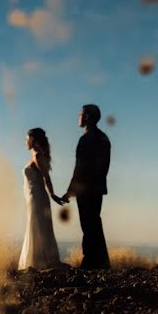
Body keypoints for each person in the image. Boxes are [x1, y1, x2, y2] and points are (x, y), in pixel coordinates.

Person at [63, 104, 111, 269]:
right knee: (94, 223)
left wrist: (70, 191)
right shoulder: (103, 138)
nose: (79, 117)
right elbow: (104, 167)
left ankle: (90, 260)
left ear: (88, 117)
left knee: (88, 224)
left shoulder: (85, 139)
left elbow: (80, 168)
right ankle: (101, 261)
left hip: (86, 189)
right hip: (97, 188)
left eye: (81, 114)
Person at [18, 127, 66, 270]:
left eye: (27, 139)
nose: (25, 141)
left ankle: (41, 261)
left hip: (38, 197)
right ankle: (37, 261)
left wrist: (52, 194)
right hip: (32, 197)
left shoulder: (38, 156)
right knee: (35, 226)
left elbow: (46, 177)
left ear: (33, 140)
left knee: (39, 227)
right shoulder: (34, 156)